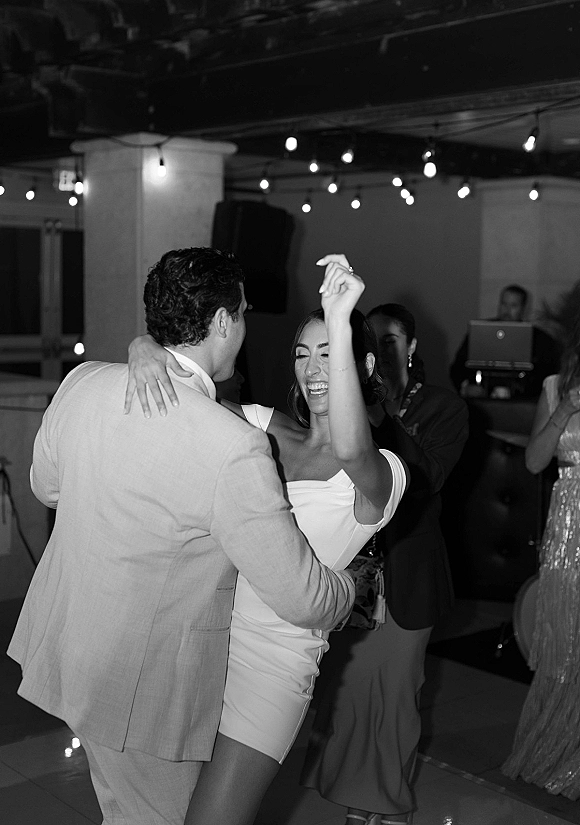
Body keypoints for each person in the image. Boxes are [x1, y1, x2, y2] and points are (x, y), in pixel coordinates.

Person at [7, 247, 357, 825]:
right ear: (222, 321)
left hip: (69, 649)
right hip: (141, 687)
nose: (244, 327)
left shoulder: (83, 382)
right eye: (241, 313)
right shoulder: (231, 446)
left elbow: (47, 488)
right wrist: (349, 585)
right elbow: (299, 596)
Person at [124, 253, 408, 825]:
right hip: (201, 643)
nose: (313, 368)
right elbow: (187, 391)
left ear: (365, 362)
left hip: (273, 667)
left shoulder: (387, 471)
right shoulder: (263, 428)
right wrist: (143, 348)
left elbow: (352, 449)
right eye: (304, 354)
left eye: (330, 352)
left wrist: (339, 311)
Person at [301, 302, 469, 825]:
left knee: (397, 696)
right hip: (352, 576)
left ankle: (389, 803)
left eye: (391, 340)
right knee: (349, 695)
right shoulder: (338, 405)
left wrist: (375, 414)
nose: (381, 349)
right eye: (371, 341)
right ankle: (357, 802)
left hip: (409, 574)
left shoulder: (443, 407)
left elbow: (428, 477)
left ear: (411, 348)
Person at [501, 280, 580, 798]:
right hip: (567, 524)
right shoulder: (556, 385)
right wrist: (565, 410)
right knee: (562, 643)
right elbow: (533, 461)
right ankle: (553, 752)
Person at [450, 283, 561, 398]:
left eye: (513, 305)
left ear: (523, 309)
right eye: (504, 304)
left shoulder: (541, 340)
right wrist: (465, 387)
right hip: (481, 399)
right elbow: (457, 367)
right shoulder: (480, 332)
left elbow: (549, 373)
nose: (507, 310)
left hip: (522, 403)